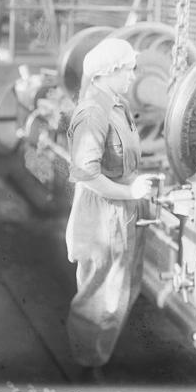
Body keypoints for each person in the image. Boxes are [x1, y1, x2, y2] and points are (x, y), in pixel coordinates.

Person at [65, 38, 153, 368]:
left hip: (123, 209)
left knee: (121, 290)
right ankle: (84, 370)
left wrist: (136, 187)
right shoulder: (92, 113)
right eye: (129, 68)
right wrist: (130, 193)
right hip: (102, 214)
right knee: (100, 297)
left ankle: (98, 357)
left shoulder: (117, 105)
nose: (134, 76)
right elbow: (88, 175)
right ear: (109, 71)